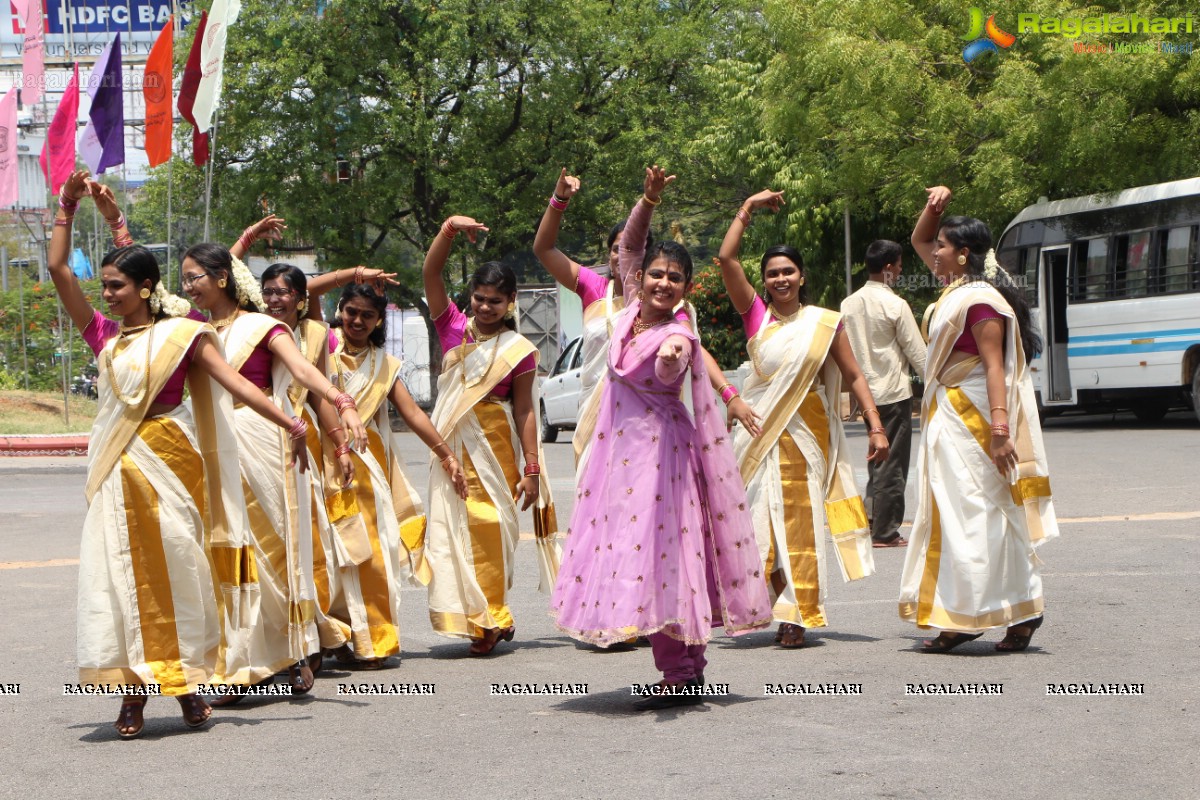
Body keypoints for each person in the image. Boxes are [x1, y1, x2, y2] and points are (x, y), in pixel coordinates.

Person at [48, 172, 306, 738]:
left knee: (182, 576)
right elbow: (59, 271)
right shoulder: (104, 338)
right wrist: (67, 206)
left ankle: (187, 684)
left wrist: (290, 420)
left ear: (145, 288)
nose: (107, 294)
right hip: (120, 470)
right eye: (106, 286)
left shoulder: (182, 335)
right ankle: (134, 697)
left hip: (173, 465)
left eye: (117, 285)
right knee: (121, 579)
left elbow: (237, 385)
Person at [552, 184, 772, 709]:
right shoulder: (628, 310)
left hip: (660, 460)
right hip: (619, 459)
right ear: (640, 277)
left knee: (665, 556)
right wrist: (647, 202)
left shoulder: (678, 332)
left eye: (675, 278)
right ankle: (686, 671)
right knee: (652, 555)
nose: (664, 282)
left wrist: (676, 352)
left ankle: (680, 672)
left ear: (686, 287)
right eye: (656, 273)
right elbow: (630, 245)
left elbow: (676, 356)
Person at [179, 242, 368, 700]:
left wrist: (342, 403)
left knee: (278, 552)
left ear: (222, 277)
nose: (187, 288)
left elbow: (303, 371)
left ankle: (295, 650)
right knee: (225, 552)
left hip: (267, 441)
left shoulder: (264, 326)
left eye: (193, 278)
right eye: (183, 281)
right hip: (211, 445)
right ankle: (240, 659)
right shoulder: (187, 331)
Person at [715, 189, 889, 649]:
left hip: (807, 435)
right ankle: (757, 604)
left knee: (800, 519)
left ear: (801, 275)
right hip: (756, 434)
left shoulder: (824, 322)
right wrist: (747, 208)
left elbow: (853, 373)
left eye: (787, 271)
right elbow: (726, 257)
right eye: (772, 274)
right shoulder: (756, 316)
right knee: (755, 519)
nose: (780, 279)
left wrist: (875, 424)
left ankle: (799, 613)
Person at [900, 185, 1058, 653]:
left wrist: (1001, 430)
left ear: (963, 255)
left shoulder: (981, 302)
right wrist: (932, 210)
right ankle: (981, 613)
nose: (935, 253)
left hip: (974, 421)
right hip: (946, 416)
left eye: (943, 247)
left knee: (983, 514)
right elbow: (918, 240)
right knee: (955, 514)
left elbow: (996, 368)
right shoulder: (956, 291)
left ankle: (1009, 612)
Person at [533, 167, 761, 473]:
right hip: (594, 413)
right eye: (614, 250)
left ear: (643, 264)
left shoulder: (663, 306)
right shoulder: (592, 288)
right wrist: (559, 199)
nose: (618, 257)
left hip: (646, 417)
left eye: (625, 251)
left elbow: (693, 348)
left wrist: (728, 393)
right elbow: (543, 249)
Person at [422, 219, 557, 656]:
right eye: (479, 298)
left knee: (494, 527)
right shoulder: (453, 328)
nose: (485, 307)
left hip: (496, 446)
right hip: (453, 445)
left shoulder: (518, 350)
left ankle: (493, 611)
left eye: (495, 301)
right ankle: (482, 620)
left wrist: (532, 468)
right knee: (455, 530)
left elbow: (523, 411)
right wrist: (447, 231)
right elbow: (430, 274)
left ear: (511, 301)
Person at [317, 282, 469, 667]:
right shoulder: (322, 348)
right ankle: (327, 637)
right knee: (326, 555)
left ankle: (377, 640)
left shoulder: (384, 364)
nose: (357, 321)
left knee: (372, 556)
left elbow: (414, 414)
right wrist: (348, 272)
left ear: (379, 320)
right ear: (340, 309)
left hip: (367, 469)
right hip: (321, 463)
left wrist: (447, 454)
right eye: (351, 311)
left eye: (368, 315)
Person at [246, 252, 355, 664]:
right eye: (267, 292)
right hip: (255, 435)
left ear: (299, 297)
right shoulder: (252, 330)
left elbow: (317, 391)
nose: (274, 300)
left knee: (306, 537)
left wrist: (340, 444)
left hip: (298, 440)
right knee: (267, 537)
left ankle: (309, 630)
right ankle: (279, 636)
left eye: (283, 292)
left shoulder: (313, 333)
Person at [840, 240, 927, 547]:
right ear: (889, 268)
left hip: (864, 395)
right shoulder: (895, 305)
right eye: (900, 266)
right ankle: (886, 531)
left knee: (876, 458)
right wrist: (939, 384)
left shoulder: (848, 304)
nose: (901, 271)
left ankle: (873, 518)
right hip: (892, 391)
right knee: (892, 464)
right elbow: (917, 352)